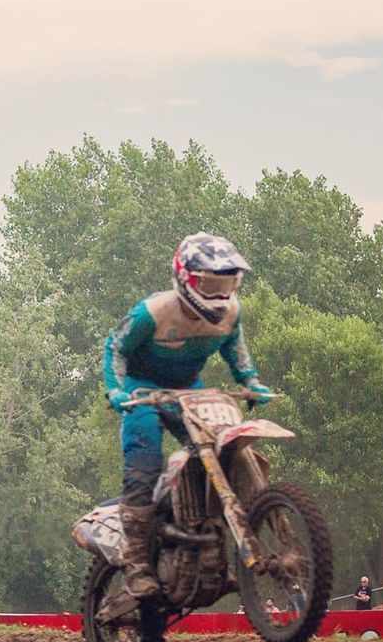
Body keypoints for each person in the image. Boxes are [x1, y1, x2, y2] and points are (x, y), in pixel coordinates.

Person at [103, 233, 272, 599]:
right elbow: (115, 347)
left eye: (226, 284)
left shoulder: (232, 312)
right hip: (142, 390)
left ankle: (219, 555)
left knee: (226, 451)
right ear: (185, 279)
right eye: (209, 284)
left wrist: (251, 382)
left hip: (189, 390)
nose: (218, 294)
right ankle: (135, 564)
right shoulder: (153, 312)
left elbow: (236, 351)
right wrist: (116, 390)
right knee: (144, 461)